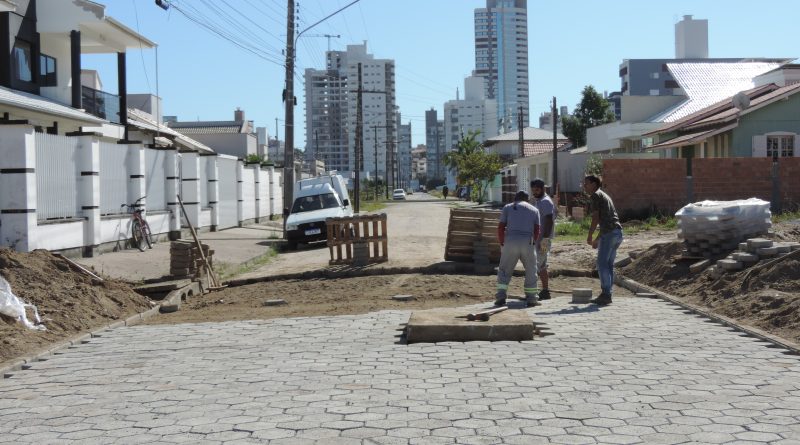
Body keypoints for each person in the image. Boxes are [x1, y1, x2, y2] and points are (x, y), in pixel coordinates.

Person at [494, 190, 541, 308]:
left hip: (511, 241)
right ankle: (531, 298)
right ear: (527, 199)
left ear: (515, 198)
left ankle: (501, 296)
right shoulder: (534, 210)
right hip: (527, 241)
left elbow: (501, 227)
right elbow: (537, 230)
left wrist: (502, 243)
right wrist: (532, 243)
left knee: (504, 269)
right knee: (531, 269)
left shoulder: (508, 207)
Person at [583, 175, 623, 306]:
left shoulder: (595, 196)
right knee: (608, 264)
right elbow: (606, 220)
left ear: (594, 184)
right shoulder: (603, 195)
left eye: (587, 183)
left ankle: (606, 294)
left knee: (601, 264)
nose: (584, 186)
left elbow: (596, 218)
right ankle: (607, 293)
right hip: (617, 232)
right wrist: (598, 238)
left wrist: (590, 236)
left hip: (610, 233)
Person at [530, 178, 555, 301]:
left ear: (543, 189)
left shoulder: (545, 202)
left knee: (535, 265)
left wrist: (544, 240)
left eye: (537, 189)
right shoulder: (538, 201)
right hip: (539, 240)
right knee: (542, 265)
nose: (535, 192)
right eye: (533, 190)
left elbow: (549, 220)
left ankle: (532, 293)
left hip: (544, 240)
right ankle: (545, 291)